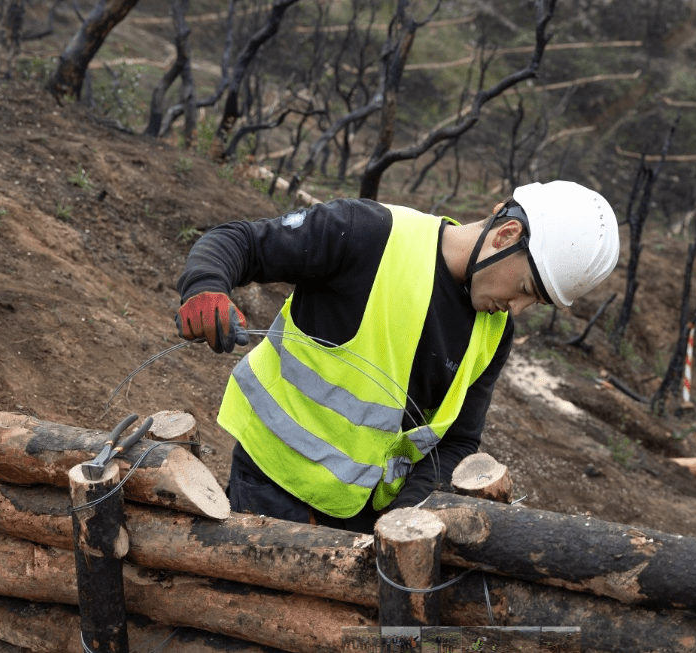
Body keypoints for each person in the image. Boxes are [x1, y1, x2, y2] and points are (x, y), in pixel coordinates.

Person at [174, 181, 619, 532]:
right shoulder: (369, 234)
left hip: (367, 514)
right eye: (524, 289)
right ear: (506, 235)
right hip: (273, 480)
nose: (517, 309)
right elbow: (241, 242)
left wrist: (403, 518)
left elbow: (458, 442)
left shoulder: (495, 334)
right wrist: (205, 287)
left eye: (534, 303)